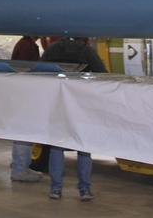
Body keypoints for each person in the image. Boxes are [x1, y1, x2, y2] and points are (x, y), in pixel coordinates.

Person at [40, 36, 107, 201]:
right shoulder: (87, 51)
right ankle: (84, 189)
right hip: (82, 108)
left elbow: (38, 72)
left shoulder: (52, 50)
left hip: (58, 106)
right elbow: (103, 75)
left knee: (56, 148)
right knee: (83, 149)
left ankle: (56, 188)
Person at [9, 36, 42, 182]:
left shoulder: (27, 44)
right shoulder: (26, 46)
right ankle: (20, 169)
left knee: (22, 133)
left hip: (21, 91)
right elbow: (24, 69)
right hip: (25, 92)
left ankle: (20, 166)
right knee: (24, 132)